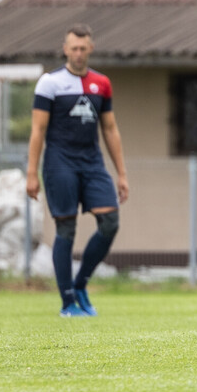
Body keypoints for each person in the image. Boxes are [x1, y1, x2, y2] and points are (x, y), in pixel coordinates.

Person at [26, 24, 129, 317]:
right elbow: (37, 130)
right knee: (66, 229)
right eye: (74, 48)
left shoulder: (102, 84)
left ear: (91, 48)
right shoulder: (50, 83)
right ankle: (67, 302)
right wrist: (31, 173)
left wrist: (121, 173)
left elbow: (110, 129)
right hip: (60, 163)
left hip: (92, 163)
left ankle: (81, 283)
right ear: (65, 49)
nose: (79, 53)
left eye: (83, 48)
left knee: (110, 221)